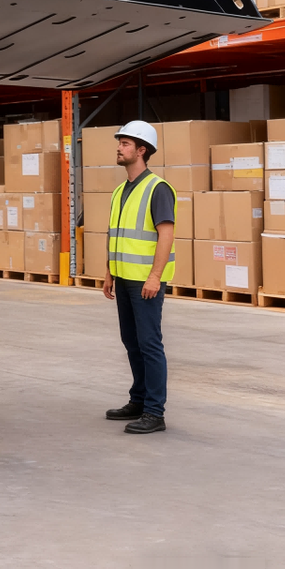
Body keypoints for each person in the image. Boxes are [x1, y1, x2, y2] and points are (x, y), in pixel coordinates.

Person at [101, 121, 175, 435]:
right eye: (120, 143)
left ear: (141, 150)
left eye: (125, 143)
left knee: (149, 344)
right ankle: (139, 399)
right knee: (131, 342)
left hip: (146, 281)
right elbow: (114, 233)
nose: (119, 148)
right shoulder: (120, 190)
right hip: (123, 278)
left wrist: (155, 276)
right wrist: (109, 272)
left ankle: (155, 412)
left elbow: (166, 234)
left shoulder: (157, 188)